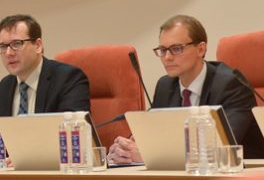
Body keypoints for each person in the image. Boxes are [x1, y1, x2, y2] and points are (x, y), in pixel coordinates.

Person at [108, 15, 264, 163]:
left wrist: (147, 154)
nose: (167, 57)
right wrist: (126, 150)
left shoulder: (232, 84)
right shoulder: (165, 86)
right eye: (163, 50)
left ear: (201, 49)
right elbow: (152, 138)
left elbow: (220, 148)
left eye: (176, 49)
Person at [0, 14, 90, 115]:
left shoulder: (68, 79)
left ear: (37, 46)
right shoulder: (5, 86)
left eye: (17, 43)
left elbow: (72, 123)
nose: (8, 53)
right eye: (3, 46)